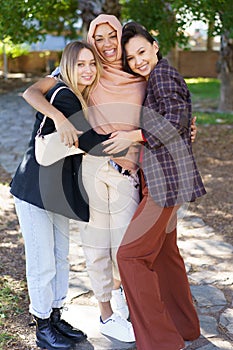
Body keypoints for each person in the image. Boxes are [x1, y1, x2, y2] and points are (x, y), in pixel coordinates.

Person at [22, 14, 197, 344]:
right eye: (98, 38)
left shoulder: (137, 72)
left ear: (120, 36)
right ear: (91, 40)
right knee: (96, 247)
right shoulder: (85, 69)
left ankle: (126, 301)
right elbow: (33, 91)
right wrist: (59, 118)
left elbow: (167, 111)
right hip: (91, 166)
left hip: (127, 172)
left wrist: (187, 126)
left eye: (110, 36)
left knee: (126, 247)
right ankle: (106, 313)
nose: (105, 45)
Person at [10, 40, 122, 350]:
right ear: (69, 66)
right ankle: (42, 324)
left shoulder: (78, 93)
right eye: (81, 64)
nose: (87, 70)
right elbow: (93, 142)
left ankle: (56, 316)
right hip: (33, 189)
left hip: (57, 191)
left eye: (91, 64)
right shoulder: (66, 95)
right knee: (42, 260)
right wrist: (138, 138)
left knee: (60, 258)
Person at [111, 22, 207, 350]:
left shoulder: (163, 74)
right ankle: (185, 328)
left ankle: (162, 342)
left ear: (155, 45)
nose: (138, 60)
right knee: (166, 256)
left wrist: (131, 135)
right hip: (165, 180)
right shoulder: (156, 76)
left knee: (130, 257)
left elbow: (176, 120)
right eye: (131, 58)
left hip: (165, 184)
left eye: (142, 51)